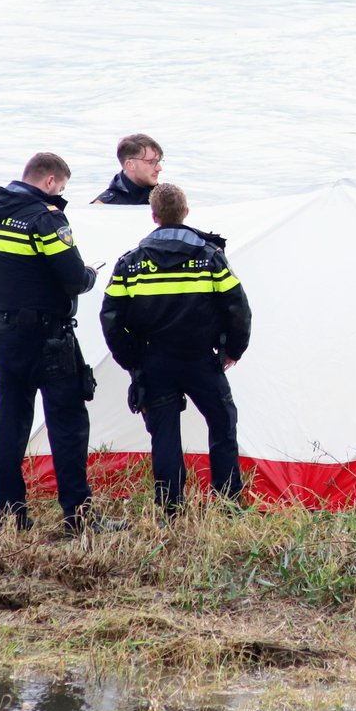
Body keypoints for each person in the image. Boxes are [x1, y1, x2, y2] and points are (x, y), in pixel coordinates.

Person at [0, 152, 105, 535]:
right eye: (61, 188)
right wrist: (91, 275)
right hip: (48, 338)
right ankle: (78, 517)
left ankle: (10, 515)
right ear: (50, 182)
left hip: (3, 334)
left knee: (10, 421)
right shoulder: (46, 220)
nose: (60, 194)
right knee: (68, 423)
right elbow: (73, 278)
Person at [99, 183, 252, 514]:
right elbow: (238, 307)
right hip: (200, 359)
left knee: (164, 435)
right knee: (223, 425)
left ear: (153, 216)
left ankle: (170, 508)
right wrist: (233, 350)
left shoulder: (131, 263)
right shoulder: (210, 259)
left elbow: (110, 318)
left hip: (153, 360)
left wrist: (132, 360)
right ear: (186, 212)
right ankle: (227, 502)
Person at [92, 134, 162, 205]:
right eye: (151, 162)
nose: (159, 168)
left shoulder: (167, 200)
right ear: (130, 165)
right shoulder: (103, 207)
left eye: (158, 161)